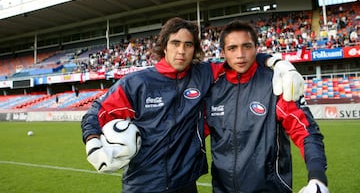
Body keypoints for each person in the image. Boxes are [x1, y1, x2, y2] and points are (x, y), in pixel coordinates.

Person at [81, 17, 305, 193]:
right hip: (143, 185)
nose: (181, 50)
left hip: (186, 184)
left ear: (195, 49)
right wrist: (92, 142)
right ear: (164, 46)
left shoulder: (203, 74)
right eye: (175, 43)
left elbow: (239, 57)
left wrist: (276, 61)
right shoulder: (136, 83)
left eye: (188, 45)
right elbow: (95, 113)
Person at [204, 20, 328, 193]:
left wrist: (317, 178)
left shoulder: (276, 83)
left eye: (246, 46)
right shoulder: (213, 88)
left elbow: (306, 132)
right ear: (223, 52)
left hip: (270, 189)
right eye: (232, 48)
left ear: (256, 48)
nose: (240, 54)